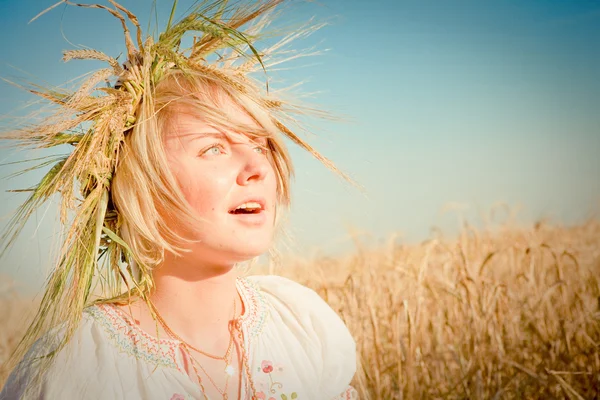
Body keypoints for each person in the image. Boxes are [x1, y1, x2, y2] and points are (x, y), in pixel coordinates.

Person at [0, 0, 357, 399]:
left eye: (261, 144)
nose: (257, 165)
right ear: (144, 188)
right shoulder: (77, 368)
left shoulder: (301, 324)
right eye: (214, 148)